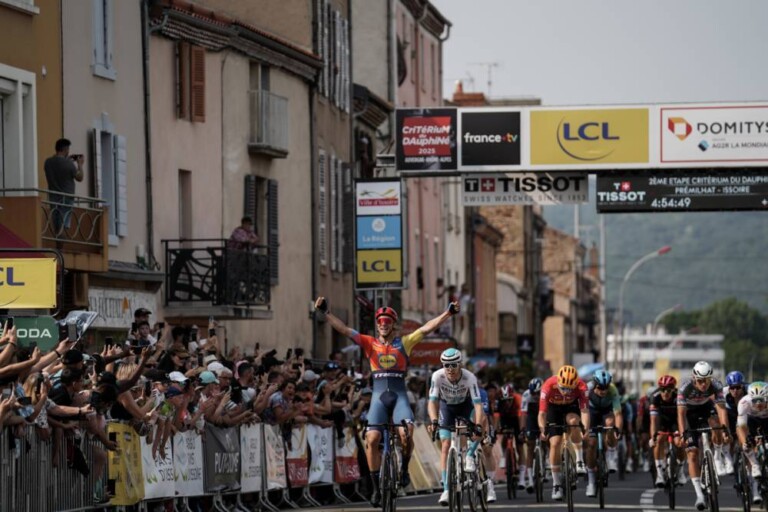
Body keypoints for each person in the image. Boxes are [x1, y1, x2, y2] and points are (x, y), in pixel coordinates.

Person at [315, 295, 458, 507]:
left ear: (393, 325)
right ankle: (375, 488)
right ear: (377, 325)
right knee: (372, 439)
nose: (383, 325)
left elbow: (427, 328)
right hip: (378, 398)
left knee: (406, 434)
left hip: (399, 396)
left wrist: (447, 313)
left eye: (387, 322)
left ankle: (403, 469)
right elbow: (344, 330)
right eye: (380, 322)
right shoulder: (369, 343)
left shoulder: (405, 343)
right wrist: (325, 313)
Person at [426, 349, 488, 506]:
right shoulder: (437, 376)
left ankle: (469, 455)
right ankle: (446, 489)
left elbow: (478, 405)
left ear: (460, 364)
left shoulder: (469, 377)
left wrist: (478, 426)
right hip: (447, 407)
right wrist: (434, 421)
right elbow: (432, 402)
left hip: (466, 406)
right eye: (446, 365)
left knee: (480, 425)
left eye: (453, 364)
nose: (450, 369)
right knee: (446, 445)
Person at [677, 361, 731, 511]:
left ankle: (718, 458)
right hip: (689, 414)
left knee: (716, 424)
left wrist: (725, 429)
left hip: (706, 408)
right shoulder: (684, 387)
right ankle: (699, 495)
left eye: (706, 380)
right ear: (694, 378)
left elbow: (721, 410)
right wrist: (683, 433)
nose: (703, 384)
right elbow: (681, 414)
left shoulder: (716, 385)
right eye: (700, 381)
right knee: (692, 453)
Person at [538, 365, 590, 501]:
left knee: (573, 421)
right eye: (563, 388)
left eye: (569, 389)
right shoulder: (548, 386)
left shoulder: (581, 386)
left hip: (571, 406)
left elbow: (584, 411)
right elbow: (542, 413)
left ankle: (579, 460)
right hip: (553, 409)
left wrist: (585, 428)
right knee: (555, 443)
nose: (566, 391)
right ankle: (556, 484)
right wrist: (543, 429)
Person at [585, 370, 623, 498]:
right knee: (591, 444)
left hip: (606, 411)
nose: (603, 391)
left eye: (605, 387)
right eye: (600, 388)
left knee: (610, 424)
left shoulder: (613, 390)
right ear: (594, 384)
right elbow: (581, 409)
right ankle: (590, 481)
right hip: (592, 411)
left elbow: (618, 413)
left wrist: (618, 429)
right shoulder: (587, 388)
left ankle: (611, 455)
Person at [649, 375, 687, 487]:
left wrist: (682, 434)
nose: (665, 393)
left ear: (673, 389)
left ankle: (680, 471)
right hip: (662, 422)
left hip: (675, 422)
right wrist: (653, 437)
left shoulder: (678, 397)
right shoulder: (655, 397)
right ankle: (660, 474)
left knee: (679, 443)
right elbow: (653, 421)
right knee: (658, 439)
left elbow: (682, 418)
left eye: (668, 390)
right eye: (662, 390)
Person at [736, 381, 768, 505]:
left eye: (762, 400)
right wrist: (747, 440)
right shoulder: (744, 402)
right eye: (755, 401)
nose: (759, 404)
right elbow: (742, 426)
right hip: (751, 421)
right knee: (746, 444)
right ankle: (754, 464)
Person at [44, 138, 84, 236]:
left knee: (57, 225)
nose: (68, 151)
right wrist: (80, 165)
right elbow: (80, 177)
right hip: (66, 199)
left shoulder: (48, 162)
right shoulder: (69, 164)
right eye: (68, 149)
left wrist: (66, 160)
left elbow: (58, 167)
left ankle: (58, 245)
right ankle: (59, 248)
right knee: (63, 225)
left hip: (53, 198)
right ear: (65, 149)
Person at [520, 377, 543, 492]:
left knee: (548, 438)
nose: (535, 396)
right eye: (533, 393)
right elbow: (523, 414)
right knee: (530, 446)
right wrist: (522, 429)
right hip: (531, 417)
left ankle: (546, 458)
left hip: (544, 414)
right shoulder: (526, 395)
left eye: (537, 393)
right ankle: (529, 478)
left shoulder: (545, 394)